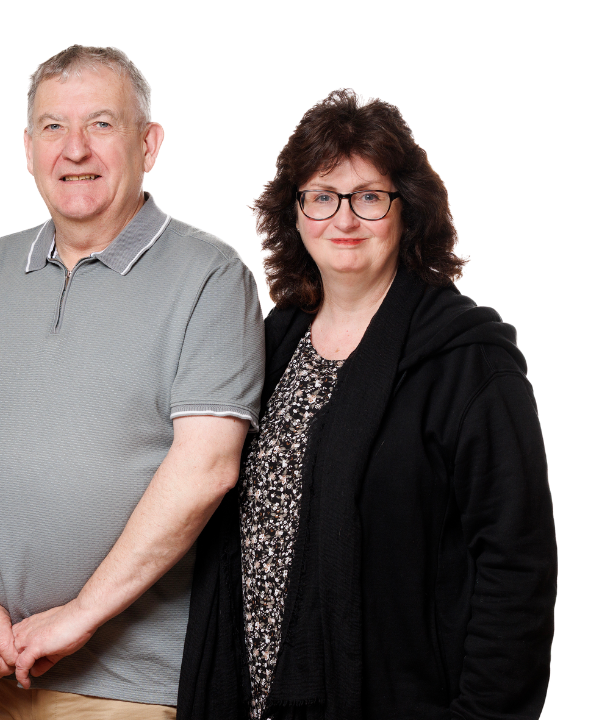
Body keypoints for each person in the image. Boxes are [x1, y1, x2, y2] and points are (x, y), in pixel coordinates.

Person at [177, 90, 557, 720]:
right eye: (322, 197)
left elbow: (516, 567)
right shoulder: (268, 345)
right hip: (247, 697)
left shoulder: (469, 364)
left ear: (409, 210)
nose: (344, 219)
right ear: (294, 214)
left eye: (369, 197)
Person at [0, 45, 265, 718]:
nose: (75, 149)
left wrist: (79, 614)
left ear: (149, 142)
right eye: (53, 127)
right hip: (0, 674)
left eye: (102, 124)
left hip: (134, 690)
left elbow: (206, 470)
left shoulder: (210, 277)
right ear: (28, 149)